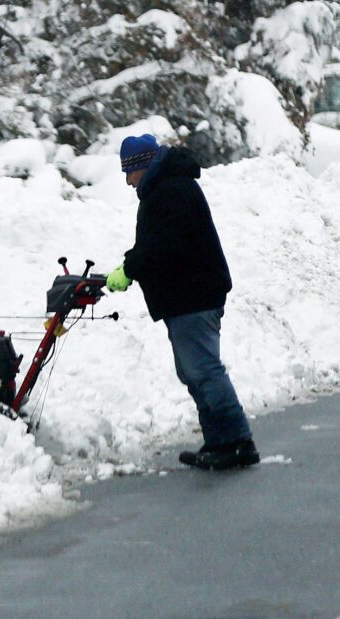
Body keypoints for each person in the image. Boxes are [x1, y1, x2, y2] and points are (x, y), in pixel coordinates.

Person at [102, 132, 257, 470]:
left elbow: (163, 246)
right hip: (186, 296)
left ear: (141, 166)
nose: (128, 182)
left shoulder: (171, 190)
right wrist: (131, 265)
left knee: (204, 370)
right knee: (193, 372)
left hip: (194, 295)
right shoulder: (167, 188)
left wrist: (130, 268)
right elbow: (159, 244)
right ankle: (219, 441)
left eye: (129, 173)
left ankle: (238, 441)